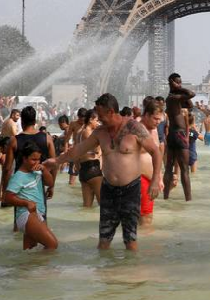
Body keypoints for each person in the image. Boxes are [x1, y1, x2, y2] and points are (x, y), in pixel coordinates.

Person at [46, 93, 162, 251]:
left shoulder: (134, 128)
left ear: (111, 112)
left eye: (101, 115)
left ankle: (132, 274)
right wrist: (57, 161)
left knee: (130, 242)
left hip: (130, 190)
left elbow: (155, 152)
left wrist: (155, 180)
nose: (99, 119)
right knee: (103, 242)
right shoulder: (100, 132)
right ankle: (104, 274)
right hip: (108, 190)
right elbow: (78, 150)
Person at [3, 141, 58, 250]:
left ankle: (27, 267)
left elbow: (50, 183)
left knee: (29, 251)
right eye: (33, 159)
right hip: (27, 214)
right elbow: (7, 197)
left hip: (37, 214)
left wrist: (44, 169)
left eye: (38, 159)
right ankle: (44, 267)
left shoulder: (37, 171)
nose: (36, 162)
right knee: (52, 244)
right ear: (24, 159)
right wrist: (26, 202)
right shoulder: (18, 177)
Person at [164, 73, 195, 201]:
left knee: (169, 167)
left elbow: (190, 105)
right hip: (179, 134)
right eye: (178, 82)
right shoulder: (173, 97)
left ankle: (166, 196)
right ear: (172, 82)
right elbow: (191, 93)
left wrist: (178, 88)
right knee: (184, 169)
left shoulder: (172, 98)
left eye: (181, 82)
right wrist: (179, 88)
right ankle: (188, 199)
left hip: (173, 134)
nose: (180, 84)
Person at [140, 99, 165, 226]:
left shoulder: (154, 130)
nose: (158, 122)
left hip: (151, 180)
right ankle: (146, 244)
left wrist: (159, 178)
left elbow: (157, 156)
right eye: (155, 118)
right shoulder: (137, 129)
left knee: (146, 216)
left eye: (159, 119)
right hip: (139, 179)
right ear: (146, 115)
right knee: (146, 218)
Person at [78, 109, 103, 207]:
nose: (98, 123)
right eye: (97, 120)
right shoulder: (89, 133)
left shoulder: (80, 132)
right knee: (103, 204)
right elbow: (97, 150)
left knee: (87, 206)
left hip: (83, 170)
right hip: (93, 168)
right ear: (90, 120)